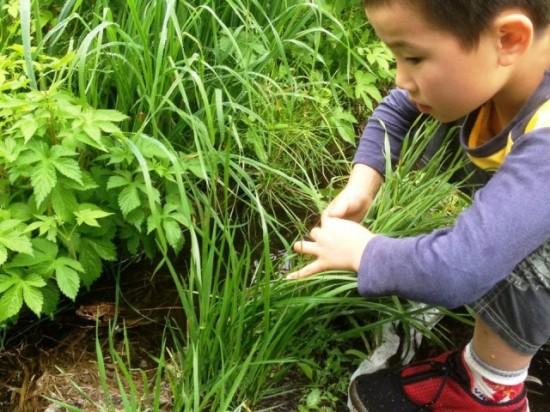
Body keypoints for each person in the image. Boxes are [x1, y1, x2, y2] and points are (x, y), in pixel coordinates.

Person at [286, 0, 550, 410]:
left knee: (505, 249)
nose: (400, 77)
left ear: (509, 39)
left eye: (412, 57)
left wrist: (364, 252)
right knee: (441, 111)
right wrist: (362, 186)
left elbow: (458, 269)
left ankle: (489, 388)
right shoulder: (504, 67)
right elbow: (396, 109)